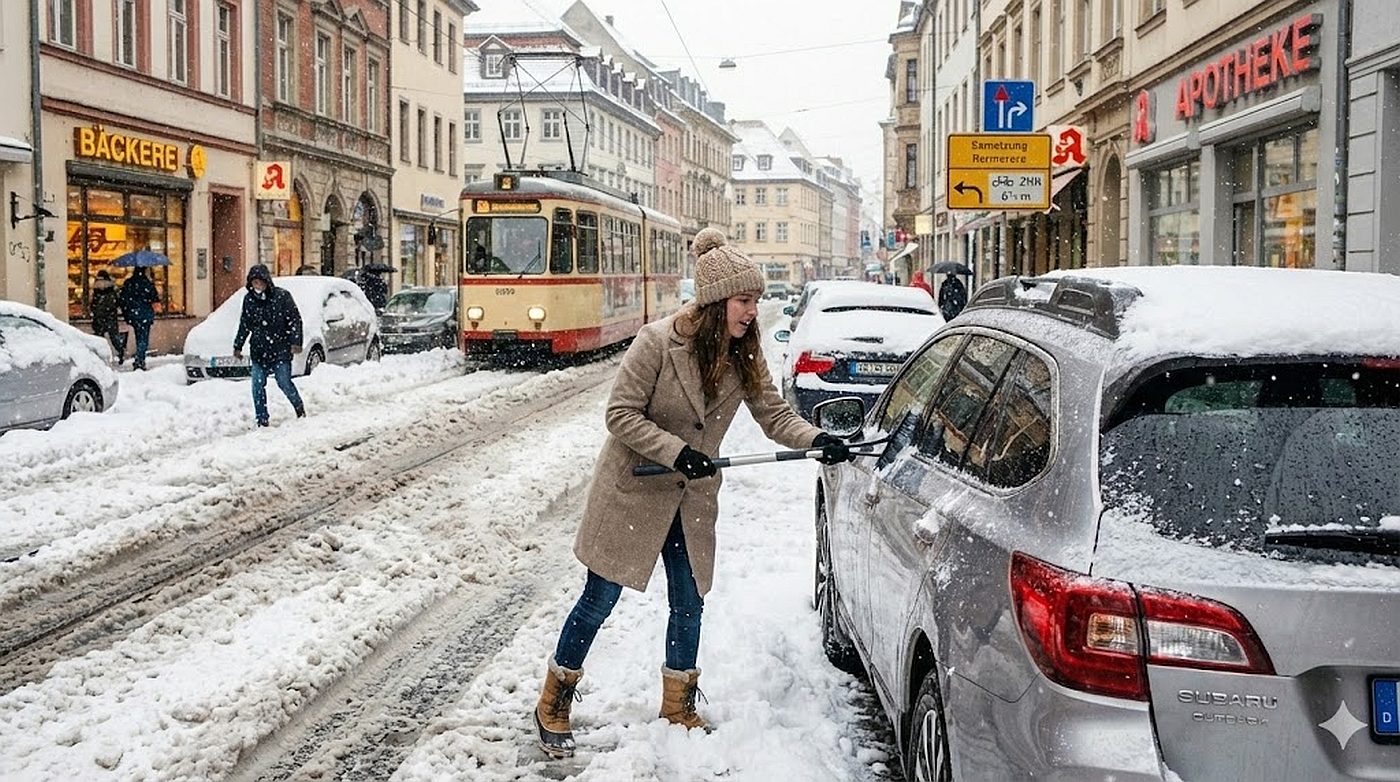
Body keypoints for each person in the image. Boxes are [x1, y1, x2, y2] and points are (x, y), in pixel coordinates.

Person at [532, 227, 854, 758]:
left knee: (688, 604)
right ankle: (554, 701)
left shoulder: (744, 354)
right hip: (634, 491)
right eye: (743, 300)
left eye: (754, 300)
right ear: (715, 301)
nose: (752, 311)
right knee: (598, 600)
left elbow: (773, 414)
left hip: (691, 500)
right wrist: (676, 450)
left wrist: (817, 440)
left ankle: (677, 706)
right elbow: (620, 414)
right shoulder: (657, 342)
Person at [233, 264, 306, 427]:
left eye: (260, 282)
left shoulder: (282, 297)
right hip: (259, 350)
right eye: (254, 283)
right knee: (257, 385)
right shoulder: (249, 300)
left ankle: (299, 407)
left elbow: (295, 319)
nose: (258, 286)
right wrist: (238, 345)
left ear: (267, 282)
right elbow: (245, 323)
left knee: (284, 382)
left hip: (280, 349)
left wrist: (296, 342)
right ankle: (262, 419)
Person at [118, 266, 160, 370]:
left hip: (134, 315)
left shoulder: (129, 283)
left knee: (138, 336)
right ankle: (140, 360)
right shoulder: (148, 283)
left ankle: (139, 358)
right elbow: (155, 298)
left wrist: (127, 313)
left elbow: (122, 299)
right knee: (143, 338)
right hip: (145, 314)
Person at [89, 270, 125, 365]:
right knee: (114, 337)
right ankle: (120, 351)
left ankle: (100, 357)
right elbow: (117, 303)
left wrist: (95, 311)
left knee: (99, 338)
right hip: (110, 317)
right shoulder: (112, 289)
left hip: (98, 317)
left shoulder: (96, 289)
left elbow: (93, 304)